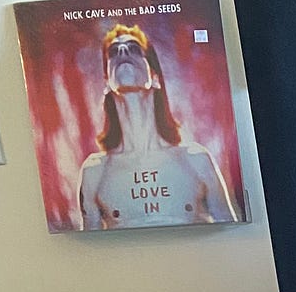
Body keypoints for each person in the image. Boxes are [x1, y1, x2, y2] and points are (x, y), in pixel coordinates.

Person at [78, 23, 238, 229]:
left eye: (134, 49)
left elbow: (230, 233)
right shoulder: (95, 172)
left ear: (154, 78)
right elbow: (92, 252)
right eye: (114, 52)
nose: (123, 52)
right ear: (107, 81)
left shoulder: (196, 159)